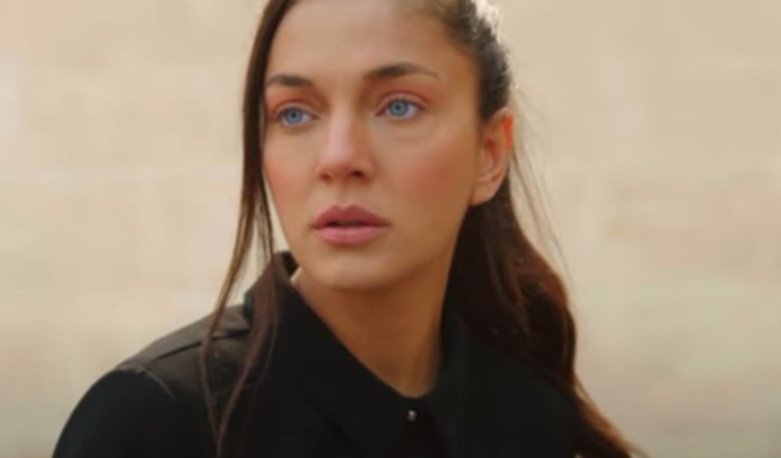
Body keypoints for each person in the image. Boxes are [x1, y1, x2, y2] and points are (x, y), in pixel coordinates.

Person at [54, 0, 637, 457]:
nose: (338, 158)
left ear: (489, 154)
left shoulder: (525, 420)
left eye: (399, 106)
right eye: (295, 113)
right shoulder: (155, 423)